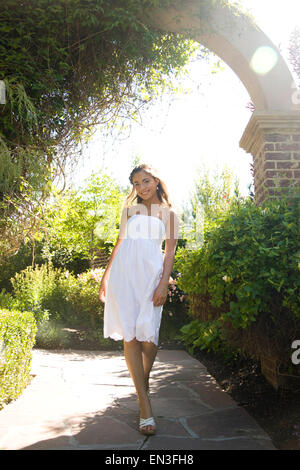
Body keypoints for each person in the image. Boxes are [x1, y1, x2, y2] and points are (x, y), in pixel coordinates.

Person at [99, 163, 179, 436]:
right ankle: (144, 403)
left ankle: (140, 383)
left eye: (145, 181)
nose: (141, 187)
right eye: (136, 183)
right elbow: (119, 244)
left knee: (149, 336)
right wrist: (105, 277)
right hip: (124, 274)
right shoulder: (130, 211)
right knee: (131, 335)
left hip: (150, 276)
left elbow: (169, 255)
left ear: (155, 180)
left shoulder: (169, 214)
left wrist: (163, 284)